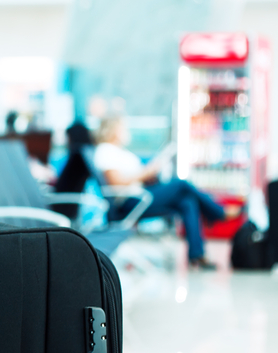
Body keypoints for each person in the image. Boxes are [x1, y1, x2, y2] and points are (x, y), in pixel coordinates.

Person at [93, 115, 229, 269]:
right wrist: (146, 172)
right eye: (122, 128)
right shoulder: (105, 151)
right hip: (131, 202)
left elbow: (135, 177)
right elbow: (116, 182)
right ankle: (217, 212)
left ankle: (197, 255)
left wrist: (151, 173)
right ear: (113, 130)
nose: (126, 131)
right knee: (181, 185)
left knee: (187, 202)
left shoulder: (118, 151)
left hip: (141, 196)